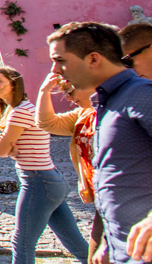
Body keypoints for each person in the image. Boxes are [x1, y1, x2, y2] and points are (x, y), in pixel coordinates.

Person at [46, 22, 152, 264]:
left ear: (94, 59)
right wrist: (107, 242)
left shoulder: (142, 94)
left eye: (60, 60)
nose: (56, 70)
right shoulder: (108, 101)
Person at [0, 64, 88, 264]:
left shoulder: (20, 112)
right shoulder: (21, 109)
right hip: (50, 180)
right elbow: (7, 148)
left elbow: (0, 151)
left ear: (13, 84)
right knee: (74, 241)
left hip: (37, 181)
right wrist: (8, 146)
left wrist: (9, 147)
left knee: (22, 242)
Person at [35, 72, 105, 263]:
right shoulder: (82, 114)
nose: (68, 97)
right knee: (97, 256)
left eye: (70, 91)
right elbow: (48, 123)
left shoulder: (115, 110)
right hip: (101, 196)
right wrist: (44, 91)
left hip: (126, 195)